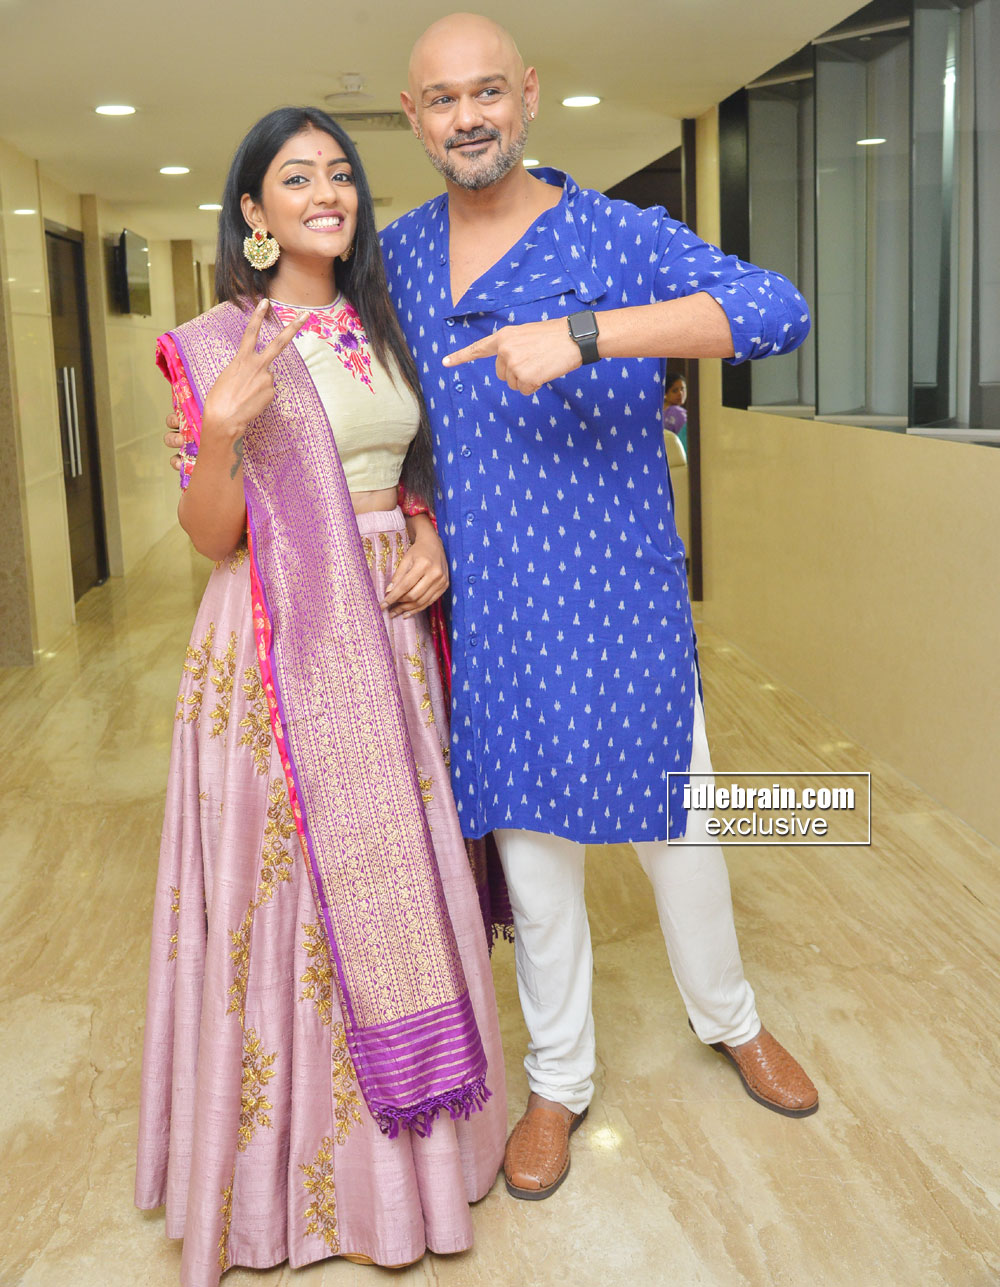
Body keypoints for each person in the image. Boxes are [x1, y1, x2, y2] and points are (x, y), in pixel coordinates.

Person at [164, 15, 819, 1207]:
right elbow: (383, 426)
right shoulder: (399, 262)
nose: (467, 118)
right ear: (414, 121)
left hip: (617, 596)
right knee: (534, 857)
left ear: (526, 96)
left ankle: (731, 1020)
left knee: (680, 830)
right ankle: (558, 1081)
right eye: (440, 100)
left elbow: (777, 311)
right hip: (485, 614)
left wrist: (587, 335)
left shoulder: (613, 230)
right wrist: (418, 525)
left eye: (486, 94)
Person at [136, 106, 506, 1286]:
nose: (326, 193)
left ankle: (416, 1167)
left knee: (395, 875)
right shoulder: (219, 344)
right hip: (276, 647)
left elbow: (409, 466)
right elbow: (210, 537)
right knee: (291, 897)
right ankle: (292, 1187)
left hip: (388, 641)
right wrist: (220, 438)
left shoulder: (380, 323)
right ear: (254, 212)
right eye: (295, 179)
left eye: (339, 173)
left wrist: (428, 531)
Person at [663, 370, 688, 452]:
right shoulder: (679, 413)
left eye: (682, 389)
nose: (680, 393)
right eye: (675, 391)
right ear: (665, 394)